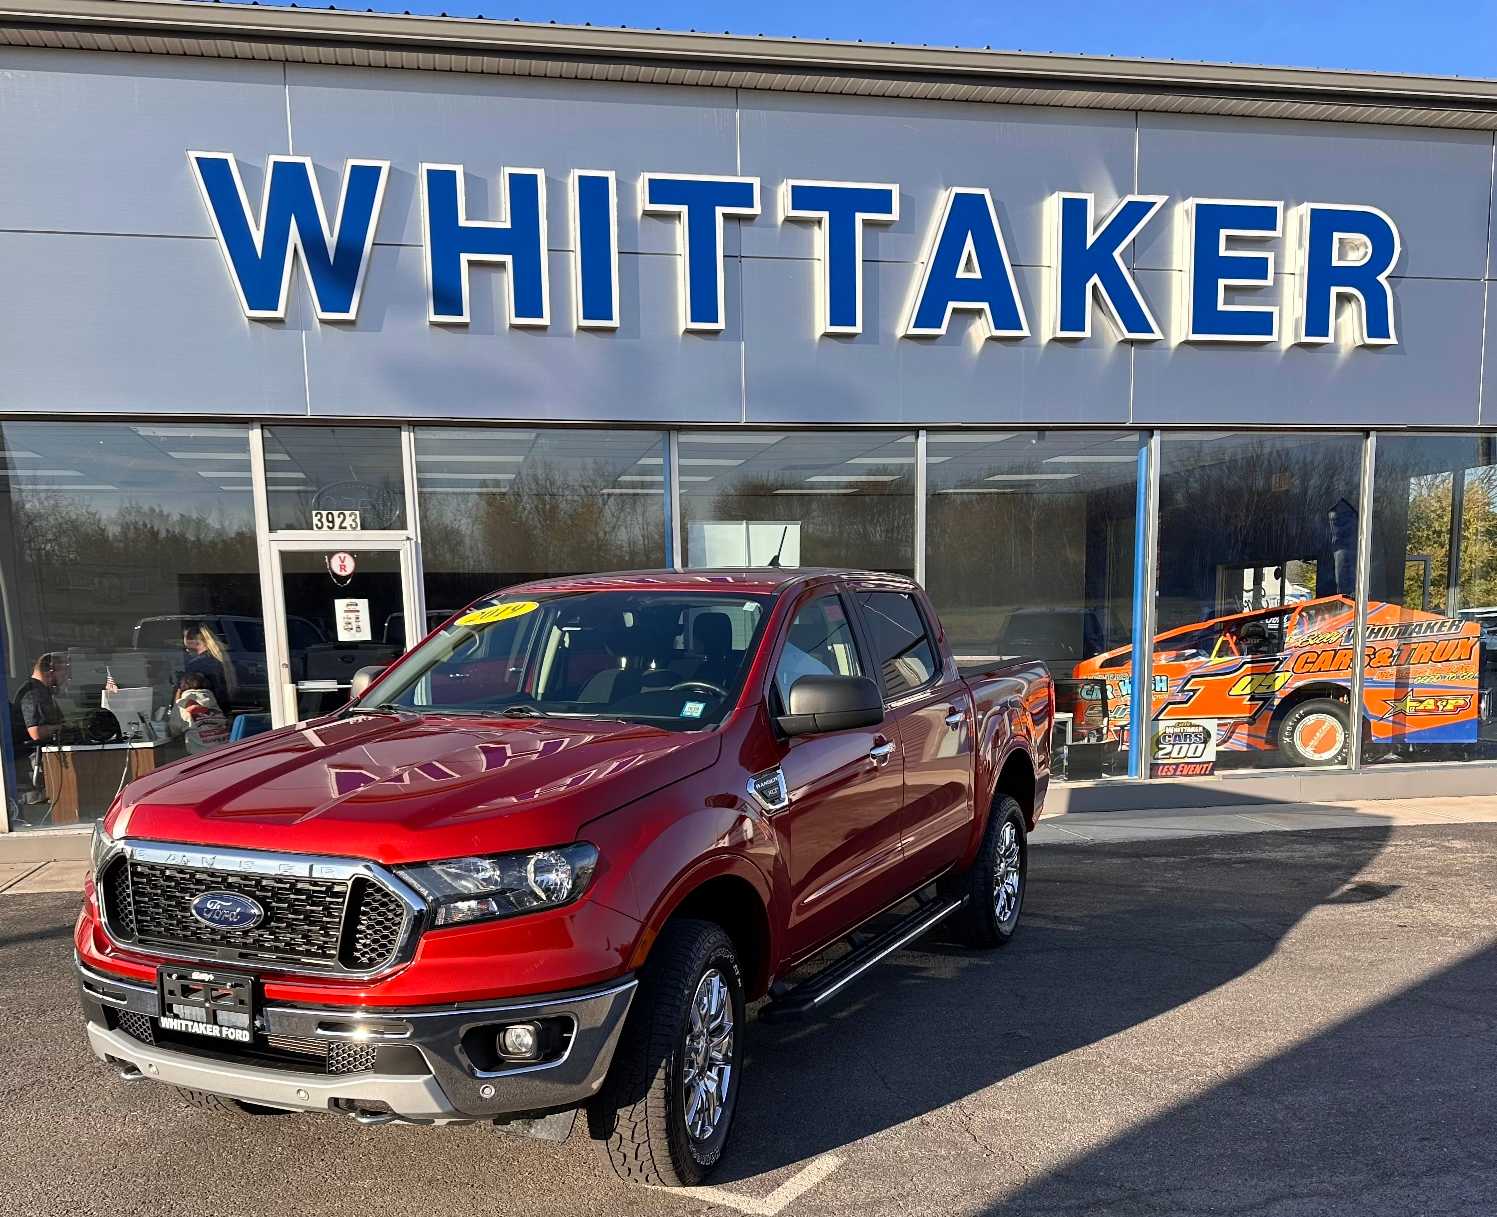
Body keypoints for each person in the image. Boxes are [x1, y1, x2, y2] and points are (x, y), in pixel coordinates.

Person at [10, 652, 66, 817]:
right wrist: (59, 728)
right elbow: (35, 732)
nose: (66, 678)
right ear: (50, 671)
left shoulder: (44, 692)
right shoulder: (33, 693)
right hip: (31, 762)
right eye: (63, 672)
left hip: (41, 759)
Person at [169, 672, 229, 754]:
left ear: (183, 687)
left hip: (201, 754)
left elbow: (174, 729)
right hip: (223, 750)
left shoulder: (182, 703)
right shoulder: (212, 701)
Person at [182, 622, 235, 712]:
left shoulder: (197, 664)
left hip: (204, 714)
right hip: (221, 710)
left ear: (192, 640)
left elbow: (190, 696)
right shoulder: (219, 658)